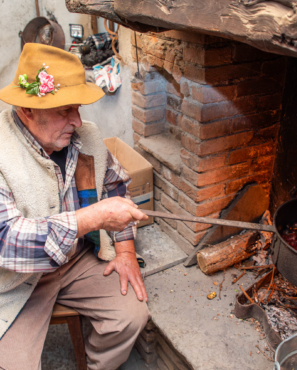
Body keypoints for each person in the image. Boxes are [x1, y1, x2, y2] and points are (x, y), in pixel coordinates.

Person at [0, 43, 150, 370]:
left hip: (78, 259)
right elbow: (7, 240)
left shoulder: (88, 137)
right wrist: (90, 218)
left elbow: (115, 188)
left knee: (131, 316)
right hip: (14, 281)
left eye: (78, 108)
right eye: (64, 110)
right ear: (28, 111)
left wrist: (124, 251)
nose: (77, 120)